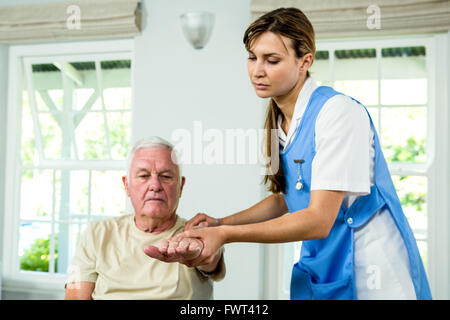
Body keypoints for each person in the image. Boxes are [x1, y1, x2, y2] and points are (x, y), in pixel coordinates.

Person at [153, 7, 432, 300]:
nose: (257, 70)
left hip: (371, 268)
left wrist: (225, 236)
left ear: (305, 61)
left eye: (272, 60)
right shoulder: (280, 119)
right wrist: (221, 223)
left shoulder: (337, 113)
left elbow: (318, 219)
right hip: (325, 258)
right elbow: (288, 198)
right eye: (252, 57)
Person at [64, 137, 225, 300]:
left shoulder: (198, 234)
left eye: (166, 176)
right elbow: (75, 296)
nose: (155, 185)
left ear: (180, 186)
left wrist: (203, 253)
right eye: (143, 176)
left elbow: (211, 259)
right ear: (126, 185)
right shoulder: (96, 233)